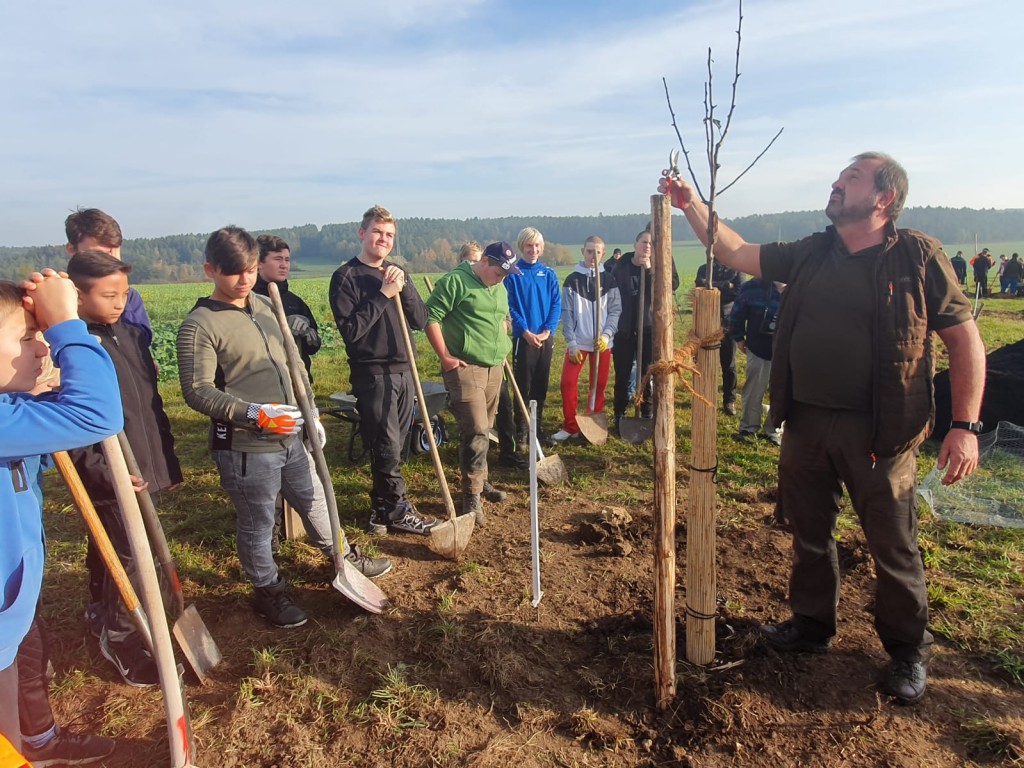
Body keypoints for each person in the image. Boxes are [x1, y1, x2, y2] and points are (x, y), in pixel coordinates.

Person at [659, 151, 986, 705]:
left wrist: (965, 425)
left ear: (884, 199)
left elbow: (965, 341)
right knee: (809, 533)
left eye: (851, 179)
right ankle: (812, 625)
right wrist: (690, 203)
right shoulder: (812, 251)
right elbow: (733, 251)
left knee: (892, 545)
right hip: (806, 422)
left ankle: (908, 650)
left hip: (881, 433)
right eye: (838, 177)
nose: (836, 185)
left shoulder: (917, 257)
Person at [178, 226, 388, 629]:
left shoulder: (266, 305)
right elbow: (197, 391)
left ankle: (343, 557)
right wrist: (254, 414)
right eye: (235, 272)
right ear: (210, 269)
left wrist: (309, 410)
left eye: (252, 269)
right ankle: (268, 589)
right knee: (258, 522)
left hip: (291, 435)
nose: (245, 279)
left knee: (316, 500)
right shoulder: (200, 324)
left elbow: (293, 366)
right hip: (245, 445)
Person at [1, 273, 122, 764]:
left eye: (41, 336)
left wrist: (46, 394)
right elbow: (96, 414)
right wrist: (67, 325)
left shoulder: (10, 411)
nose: (41, 350)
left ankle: (39, 742)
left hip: (11, 611)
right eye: (26, 338)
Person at [66, 251, 183, 687]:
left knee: (133, 550)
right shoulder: (75, 348)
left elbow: (149, 406)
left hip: (140, 463)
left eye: (124, 294)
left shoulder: (131, 335)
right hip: (110, 471)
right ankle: (119, 638)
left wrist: (163, 463)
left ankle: (126, 615)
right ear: (77, 296)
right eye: (108, 295)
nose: (119, 303)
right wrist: (103, 472)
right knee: (129, 555)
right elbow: (74, 427)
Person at [329, 206, 440, 536]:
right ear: (362, 233)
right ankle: (397, 510)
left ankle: (381, 508)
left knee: (396, 444)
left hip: (404, 368)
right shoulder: (345, 277)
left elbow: (420, 320)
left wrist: (403, 289)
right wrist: (382, 295)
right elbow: (352, 331)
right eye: (377, 232)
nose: (383, 239)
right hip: (372, 373)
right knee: (386, 444)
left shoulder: (397, 272)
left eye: (389, 235)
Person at [424, 241, 519, 525]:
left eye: (506, 274)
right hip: (465, 367)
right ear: (485, 262)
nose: (502, 278)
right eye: (499, 272)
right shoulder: (455, 282)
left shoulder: (499, 286)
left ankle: (482, 481)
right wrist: (445, 357)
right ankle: (471, 496)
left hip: (494, 368)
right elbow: (430, 317)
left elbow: (503, 316)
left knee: (485, 427)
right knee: (475, 429)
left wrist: (501, 344)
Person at [459, 242, 522, 476]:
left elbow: (506, 317)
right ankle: (475, 475)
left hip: (495, 360)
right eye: (470, 261)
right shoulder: (460, 285)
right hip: (471, 364)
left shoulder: (498, 286)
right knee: (474, 424)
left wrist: (501, 329)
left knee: (503, 408)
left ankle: (508, 451)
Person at [552, 236, 621, 442]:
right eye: (589, 251)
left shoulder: (609, 280)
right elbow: (567, 313)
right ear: (583, 251)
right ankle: (570, 426)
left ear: (603, 254)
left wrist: (607, 334)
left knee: (598, 385)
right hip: (579, 344)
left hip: (602, 344)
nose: (593, 255)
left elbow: (615, 311)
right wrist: (571, 343)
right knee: (567, 382)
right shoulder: (572, 280)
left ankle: (591, 424)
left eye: (597, 252)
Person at [611, 229, 679, 434]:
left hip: (648, 329)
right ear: (635, 244)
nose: (646, 246)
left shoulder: (657, 266)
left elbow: (665, 290)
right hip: (624, 330)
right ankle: (620, 413)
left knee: (646, 374)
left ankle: (647, 412)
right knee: (622, 375)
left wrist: (650, 270)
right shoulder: (621, 266)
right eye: (643, 242)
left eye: (650, 244)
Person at [505, 227, 561, 445]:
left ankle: (536, 430)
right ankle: (521, 431)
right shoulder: (512, 274)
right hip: (524, 338)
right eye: (529, 245)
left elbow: (556, 303)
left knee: (540, 386)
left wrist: (548, 330)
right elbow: (510, 306)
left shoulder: (548, 274)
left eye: (537, 245)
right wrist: (525, 331)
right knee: (523, 386)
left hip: (545, 339)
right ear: (522, 246)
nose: (533, 249)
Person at [65, 208, 153, 345]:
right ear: (72, 250)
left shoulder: (131, 298)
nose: (111, 260)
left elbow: (140, 346)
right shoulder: (58, 298)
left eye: (115, 251)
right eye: (100, 253)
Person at [254, 235, 321, 379]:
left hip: (299, 384)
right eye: (278, 259)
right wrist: (281, 327)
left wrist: (309, 334)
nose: (284, 265)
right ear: (259, 263)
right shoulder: (247, 300)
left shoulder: (295, 302)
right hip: (264, 383)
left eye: (287, 260)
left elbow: (313, 347)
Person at [728, 277, 783, 444]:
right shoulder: (752, 287)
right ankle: (749, 427)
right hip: (758, 347)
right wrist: (738, 338)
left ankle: (774, 430)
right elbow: (737, 313)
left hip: (788, 351)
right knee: (754, 389)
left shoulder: (801, 286)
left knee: (781, 392)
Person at [695, 261, 744, 414]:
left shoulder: (737, 270)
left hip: (728, 323)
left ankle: (729, 401)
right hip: (706, 322)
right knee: (704, 361)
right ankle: (704, 396)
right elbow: (699, 287)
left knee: (728, 363)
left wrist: (713, 285)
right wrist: (726, 285)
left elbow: (738, 292)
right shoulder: (704, 268)